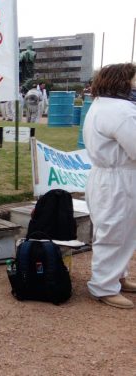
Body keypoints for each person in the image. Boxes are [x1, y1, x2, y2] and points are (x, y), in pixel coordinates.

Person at [83, 63, 136, 309]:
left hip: (107, 176)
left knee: (121, 230)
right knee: (114, 231)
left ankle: (116, 276)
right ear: (123, 82)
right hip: (119, 178)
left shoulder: (102, 105)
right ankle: (104, 285)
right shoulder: (122, 110)